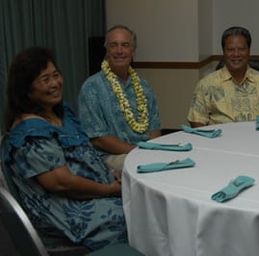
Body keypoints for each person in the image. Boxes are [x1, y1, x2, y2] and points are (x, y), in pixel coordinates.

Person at [2, 47, 127, 251]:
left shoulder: (61, 113)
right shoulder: (30, 132)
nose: (55, 83)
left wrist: (107, 173)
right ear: (26, 89)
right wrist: (108, 189)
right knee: (138, 215)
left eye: (56, 75)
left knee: (143, 204)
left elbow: (84, 155)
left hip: (94, 193)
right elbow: (62, 183)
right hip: (66, 214)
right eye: (45, 79)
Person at [79, 25, 161, 171]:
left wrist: (154, 152)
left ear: (133, 51)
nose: (119, 51)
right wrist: (137, 152)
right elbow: (99, 139)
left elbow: (154, 129)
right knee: (145, 169)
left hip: (145, 152)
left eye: (125, 45)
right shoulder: (92, 87)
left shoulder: (145, 86)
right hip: (109, 157)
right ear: (107, 51)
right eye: (113, 45)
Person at [187, 26, 259, 127]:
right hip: (219, 141)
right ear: (224, 52)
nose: (236, 54)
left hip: (257, 141)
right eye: (230, 49)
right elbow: (197, 120)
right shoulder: (206, 84)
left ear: (249, 51)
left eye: (241, 49)